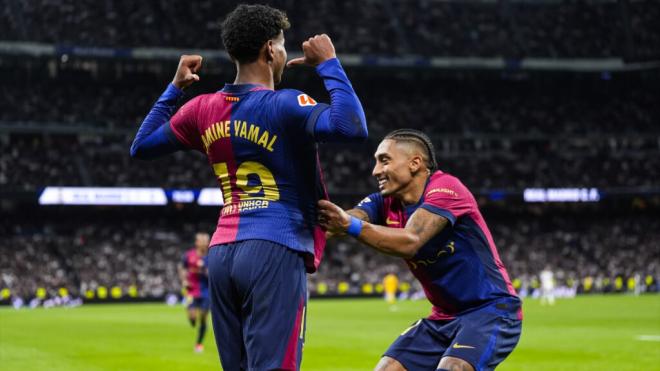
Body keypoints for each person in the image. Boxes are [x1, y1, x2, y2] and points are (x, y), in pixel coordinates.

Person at [129, 4, 368, 369]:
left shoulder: (201, 109)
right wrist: (329, 64)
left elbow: (141, 146)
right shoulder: (285, 104)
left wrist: (174, 87)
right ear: (271, 50)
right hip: (276, 245)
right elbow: (352, 127)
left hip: (222, 253)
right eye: (284, 44)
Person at [319, 129, 522, 371]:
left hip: (491, 310)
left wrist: (347, 225)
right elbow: (348, 218)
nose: (375, 171)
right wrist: (319, 223)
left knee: (453, 368)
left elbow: (410, 240)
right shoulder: (385, 202)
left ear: (415, 163)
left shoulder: (446, 188)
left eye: (384, 160)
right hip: (443, 316)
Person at [178, 232, 211, 352]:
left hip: (206, 291)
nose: (203, 243)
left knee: (203, 318)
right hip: (191, 291)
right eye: (201, 241)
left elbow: (213, 275)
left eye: (205, 241)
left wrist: (203, 269)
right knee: (192, 317)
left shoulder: (211, 257)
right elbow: (182, 268)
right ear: (197, 243)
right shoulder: (189, 255)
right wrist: (184, 281)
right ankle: (192, 321)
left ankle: (198, 343)